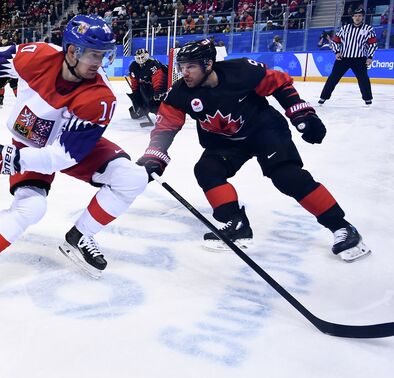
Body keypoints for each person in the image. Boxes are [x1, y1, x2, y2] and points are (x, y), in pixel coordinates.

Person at [0, 14, 149, 306]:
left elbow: (64, 156)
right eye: (94, 54)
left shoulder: (100, 97)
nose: (99, 62)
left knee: (132, 177)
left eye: (103, 55)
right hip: (28, 140)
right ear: (71, 51)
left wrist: (11, 160)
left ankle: (81, 236)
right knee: (32, 207)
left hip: (67, 146)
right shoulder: (38, 56)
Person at [137, 39, 370, 262]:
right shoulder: (180, 93)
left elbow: (279, 82)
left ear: (208, 64)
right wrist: (154, 157)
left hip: (264, 131)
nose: (184, 72)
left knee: (287, 176)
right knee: (207, 170)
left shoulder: (242, 71)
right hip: (226, 142)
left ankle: (341, 226)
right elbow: (166, 127)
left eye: (190, 67)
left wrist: (301, 114)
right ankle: (236, 223)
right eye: (181, 66)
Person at [319, 7, 378, 106]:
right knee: (333, 78)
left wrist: (370, 57)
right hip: (343, 58)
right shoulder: (344, 28)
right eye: (355, 16)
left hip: (359, 59)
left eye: (360, 16)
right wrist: (337, 52)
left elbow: (373, 44)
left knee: (363, 79)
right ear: (352, 17)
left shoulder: (368, 29)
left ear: (363, 17)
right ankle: (323, 97)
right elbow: (335, 42)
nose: (357, 18)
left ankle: (368, 99)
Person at [127, 48, 168, 119]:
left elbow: (158, 78)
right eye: (138, 58)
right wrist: (135, 93)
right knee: (135, 113)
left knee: (156, 107)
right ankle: (145, 108)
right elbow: (134, 81)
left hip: (162, 88)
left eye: (142, 57)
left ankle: (162, 110)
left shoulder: (152, 64)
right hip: (148, 87)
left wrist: (158, 92)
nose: (140, 60)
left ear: (146, 56)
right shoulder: (133, 66)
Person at [0, 33, 19, 108]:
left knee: (14, 85)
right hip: (3, 68)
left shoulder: (12, 45)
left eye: (4, 39)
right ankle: (0, 101)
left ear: (7, 39)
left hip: (12, 68)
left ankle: (19, 101)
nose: (2, 40)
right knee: (0, 84)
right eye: (1, 39)